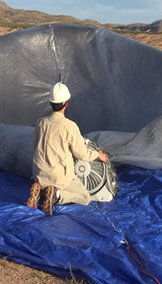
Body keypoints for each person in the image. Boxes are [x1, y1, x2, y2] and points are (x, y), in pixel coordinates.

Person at [27, 83, 110, 216]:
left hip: (39, 173)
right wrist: (97, 154)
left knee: (46, 181)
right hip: (58, 177)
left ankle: (40, 190)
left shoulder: (40, 122)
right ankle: (57, 194)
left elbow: (35, 146)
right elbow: (82, 154)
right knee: (85, 198)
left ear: (50, 102)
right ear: (66, 104)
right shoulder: (69, 126)